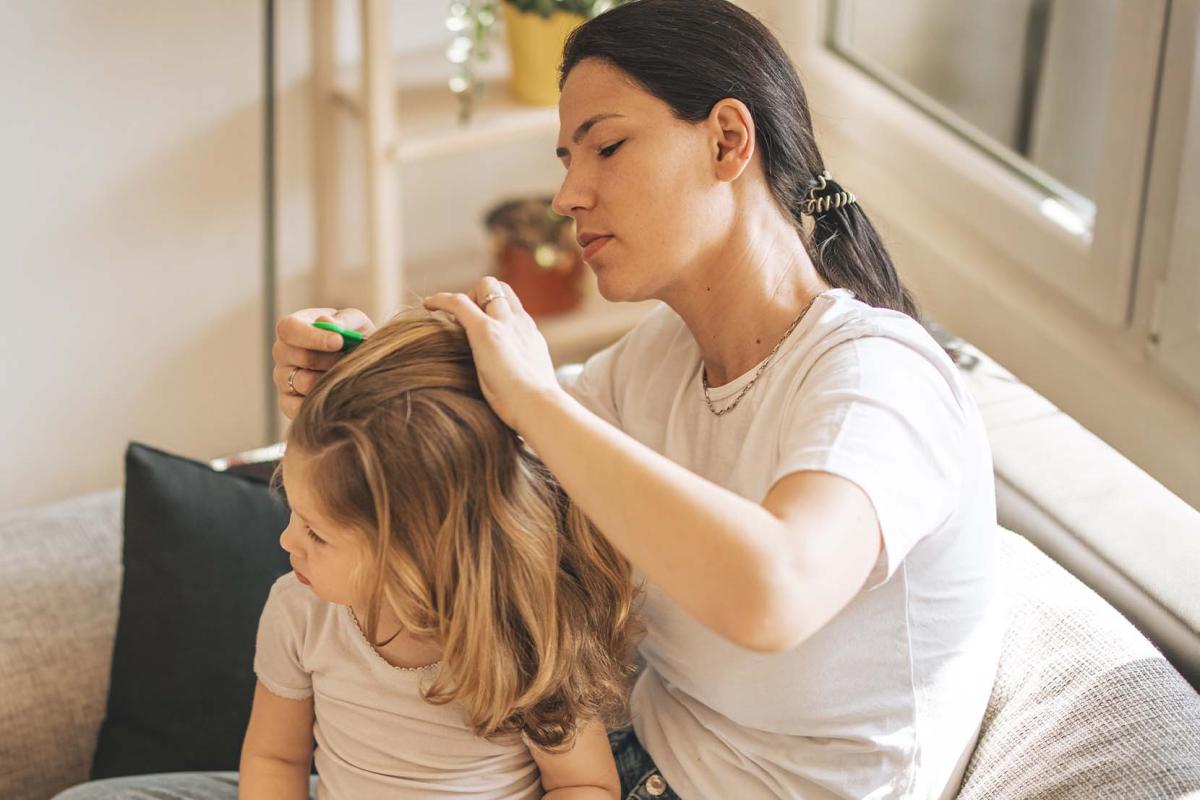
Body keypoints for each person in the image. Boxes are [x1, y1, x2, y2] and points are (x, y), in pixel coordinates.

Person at [59, 0, 1001, 797]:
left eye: (606, 147)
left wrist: (541, 401)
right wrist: (345, 377)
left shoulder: (881, 377)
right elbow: (458, 464)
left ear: (727, 138)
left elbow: (774, 591)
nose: (567, 195)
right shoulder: (659, 363)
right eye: (564, 157)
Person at [64, 312, 641, 799]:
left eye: (316, 533)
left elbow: (583, 786)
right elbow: (275, 759)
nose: (287, 541)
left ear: (417, 554)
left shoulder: (527, 632)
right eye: (294, 512)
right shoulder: (299, 611)